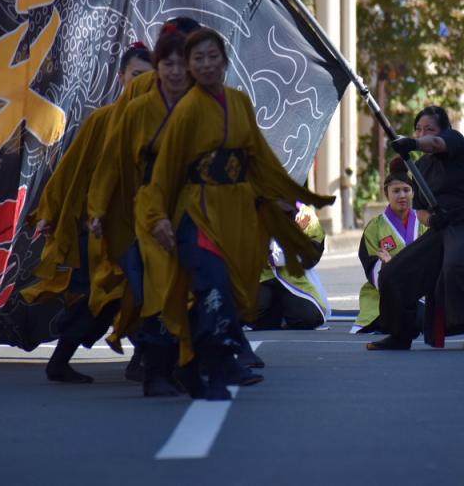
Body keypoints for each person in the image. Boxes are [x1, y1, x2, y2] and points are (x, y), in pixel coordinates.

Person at [139, 28, 334, 400]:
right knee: (213, 287)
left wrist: (280, 197)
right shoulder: (186, 112)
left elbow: (257, 154)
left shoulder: (239, 102)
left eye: (213, 56)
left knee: (229, 290)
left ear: (225, 61)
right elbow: (165, 171)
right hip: (196, 212)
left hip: (237, 214)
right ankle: (221, 361)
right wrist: (158, 217)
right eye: (198, 59)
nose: (207, 64)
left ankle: (193, 368)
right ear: (191, 67)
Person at [22, 43, 154, 383]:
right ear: (123, 77)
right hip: (99, 228)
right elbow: (72, 172)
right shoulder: (102, 120)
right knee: (96, 298)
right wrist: (56, 215)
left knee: (145, 291)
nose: (143, 83)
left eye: (150, 77)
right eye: (137, 75)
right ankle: (62, 361)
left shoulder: (161, 121)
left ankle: (144, 359)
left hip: (145, 226)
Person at [87, 30, 194, 396]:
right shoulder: (135, 111)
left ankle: (185, 366)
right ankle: (156, 372)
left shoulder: (204, 107)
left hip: (192, 213)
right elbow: (110, 166)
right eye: (168, 64)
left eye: (183, 64)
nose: (176, 72)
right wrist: (97, 210)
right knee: (151, 292)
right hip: (145, 215)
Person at [367, 106, 464, 351]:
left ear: (443, 130)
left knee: (456, 261)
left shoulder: (455, 143)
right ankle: (400, 334)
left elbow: (434, 144)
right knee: (393, 274)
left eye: (428, 129)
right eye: (418, 129)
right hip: (443, 227)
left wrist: (412, 142)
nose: (423, 133)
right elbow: (420, 210)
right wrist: (431, 221)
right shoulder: (420, 167)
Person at [354, 157, 426, 334]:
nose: (402, 195)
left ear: (413, 193)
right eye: (396, 191)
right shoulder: (375, 227)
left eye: (406, 190)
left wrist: (396, 263)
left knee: (421, 318)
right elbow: (371, 263)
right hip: (385, 292)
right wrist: (388, 267)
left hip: (421, 288)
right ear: (387, 194)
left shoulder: (424, 221)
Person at [252, 204, 331, 330]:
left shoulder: (304, 213)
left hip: (295, 281)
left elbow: (311, 253)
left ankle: (287, 313)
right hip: (260, 278)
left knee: (309, 317)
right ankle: (276, 314)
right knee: (249, 316)